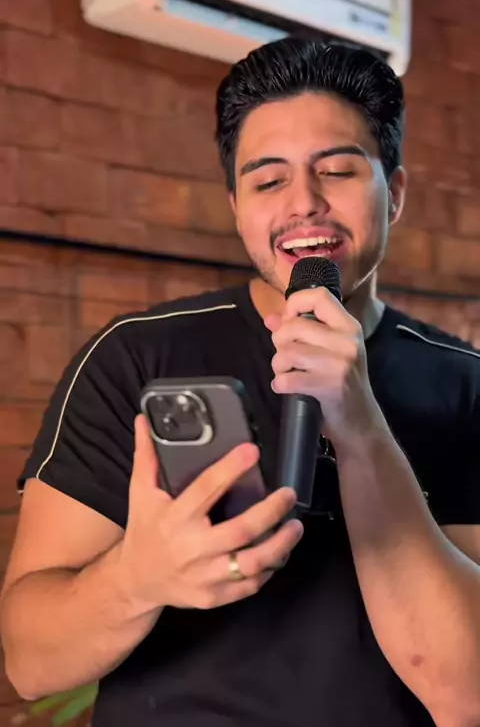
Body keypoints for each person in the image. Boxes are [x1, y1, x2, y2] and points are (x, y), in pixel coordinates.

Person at [1, 38, 480, 727]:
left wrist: (360, 426)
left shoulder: (464, 385)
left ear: (395, 192)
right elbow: (30, 663)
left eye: (337, 171)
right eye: (268, 181)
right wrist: (137, 580)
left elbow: (466, 693)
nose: (304, 203)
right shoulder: (135, 357)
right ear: (235, 204)